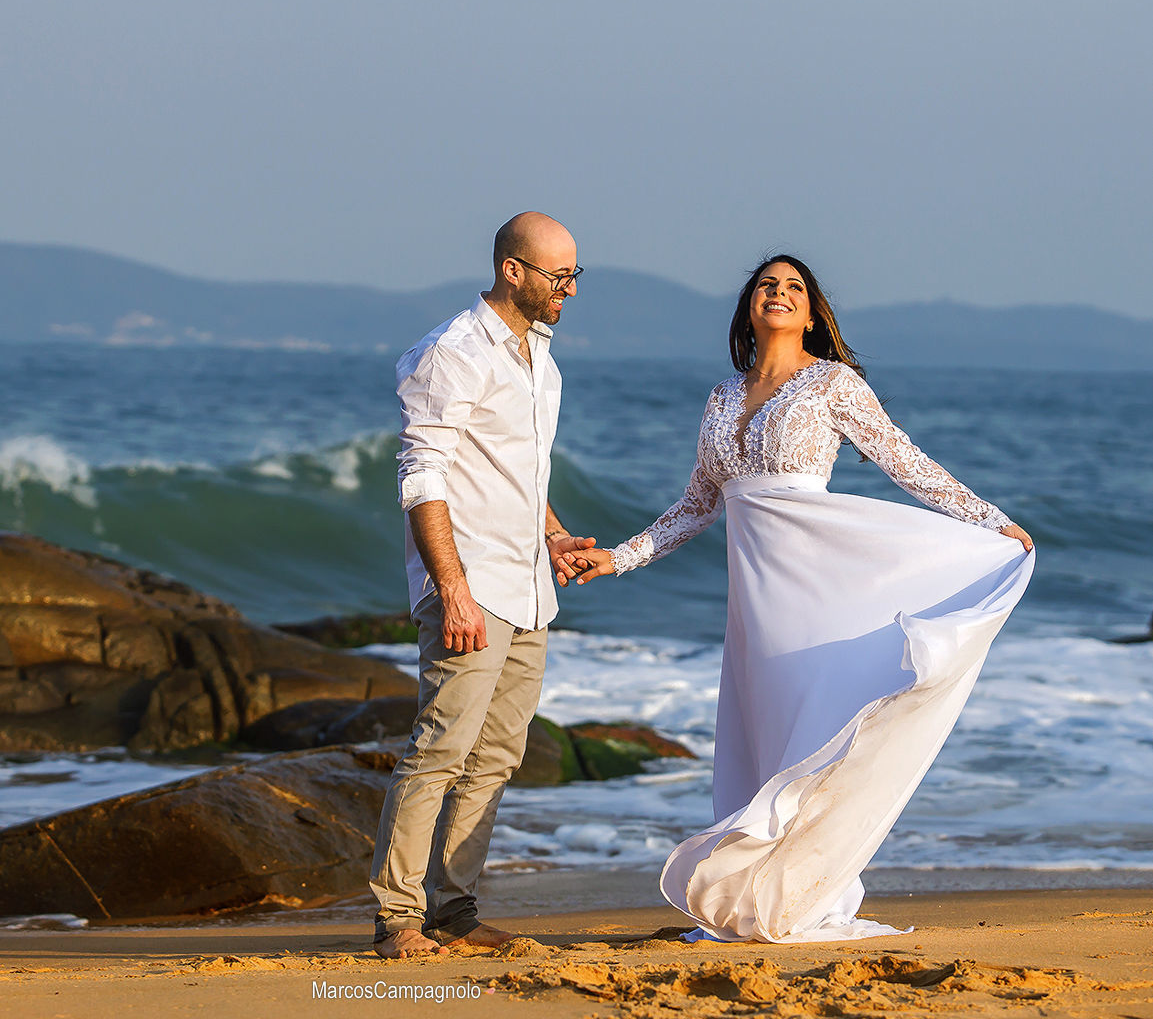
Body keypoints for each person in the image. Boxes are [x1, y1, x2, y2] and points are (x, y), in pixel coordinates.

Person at [557, 255, 1035, 943]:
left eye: (793, 289)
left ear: (811, 313)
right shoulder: (721, 396)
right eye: (765, 285)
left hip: (820, 583)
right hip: (754, 601)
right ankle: (757, 893)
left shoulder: (833, 383)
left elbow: (905, 462)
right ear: (748, 306)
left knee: (811, 734)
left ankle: (814, 893)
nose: (777, 294)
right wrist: (618, 558)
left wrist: (989, 522)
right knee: (762, 740)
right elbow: (696, 505)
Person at [369, 212, 592, 959]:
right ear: (512, 271)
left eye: (573, 275)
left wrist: (554, 534)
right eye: (557, 275)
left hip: (529, 587)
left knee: (495, 758)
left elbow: (520, 478)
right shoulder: (452, 354)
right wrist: (452, 589)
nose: (568, 288)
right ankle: (396, 918)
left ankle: (455, 911)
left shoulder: (539, 357)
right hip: (473, 588)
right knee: (438, 750)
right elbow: (421, 474)